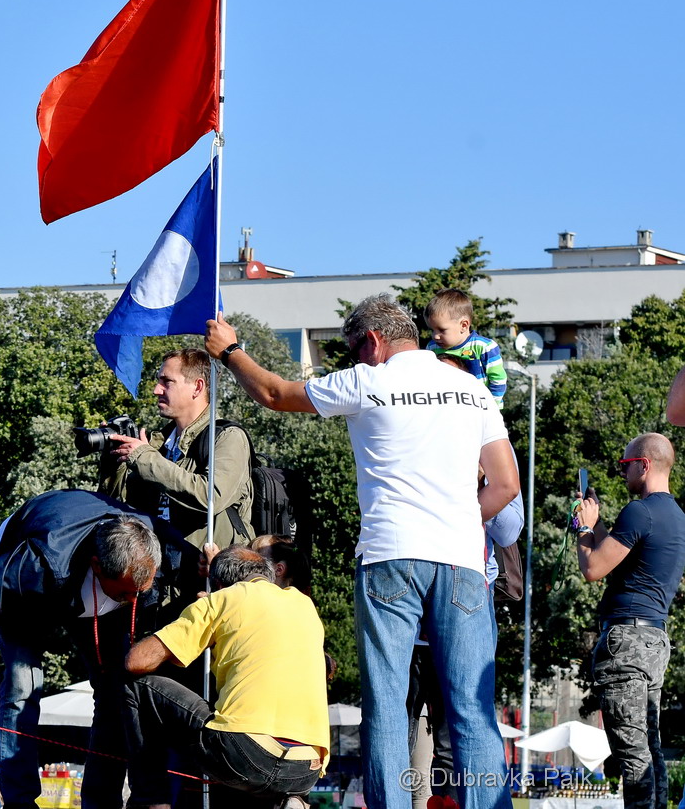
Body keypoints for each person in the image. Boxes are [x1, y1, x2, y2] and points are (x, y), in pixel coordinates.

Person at [205, 293, 519, 809]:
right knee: (472, 708)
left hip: (391, 553)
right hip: (463, 561)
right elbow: (506, 485)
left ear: (372, 341)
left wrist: (231, 350)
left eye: (354, 351)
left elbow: (275, 393)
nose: (354, 360)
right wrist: (460, 520)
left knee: (388, 706)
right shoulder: (473, 389)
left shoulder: (367, 381)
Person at [0, 489, 201, 809]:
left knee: (115, 690)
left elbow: (218, 575)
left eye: (140, 592)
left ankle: (101, 803)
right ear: (97, 566)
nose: (133, 601)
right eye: (125, 593)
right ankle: (19, 803)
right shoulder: (36, 566)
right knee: (22, 686)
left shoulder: (164, 544)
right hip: (33, 575)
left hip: (86, 571)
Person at [122, 546, 328, 809]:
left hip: (246, 754)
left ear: (219, 584)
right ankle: (290, 798)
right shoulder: (304, 605)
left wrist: (205, 611)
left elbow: (137, 661)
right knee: (253, 754)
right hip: (306, 768)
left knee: (137, 687)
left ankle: (151, 802)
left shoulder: (221, 600)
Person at [575, 433, 685, 809]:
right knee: (650, 750)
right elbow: (620, 556)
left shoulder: (640, 511)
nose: (622, 472)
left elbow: (593, 567)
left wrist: (583, 528)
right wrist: (597, 525)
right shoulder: (676, 517)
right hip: (654, 641)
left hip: (626, 643)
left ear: (644, 464)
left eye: (625, 465)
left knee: (633, 757)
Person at [99, 348, 254, 548]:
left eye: (167, 381)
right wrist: (114, 462)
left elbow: (211, 498)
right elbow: (122, 506)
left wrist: (144, 458)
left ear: (197, 387)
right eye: (158, 381)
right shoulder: (158, 444)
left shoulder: (228, 437)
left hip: (207, 564)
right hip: (159, 561)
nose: (156, 390)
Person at [423, 289, 508, 406]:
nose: (435, 336)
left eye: (442, 330)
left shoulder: (484, 347)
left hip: (480, 408)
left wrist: (491, 407)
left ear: (464, 325)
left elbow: (498, 379)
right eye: (432, 330)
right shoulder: (432, 348)